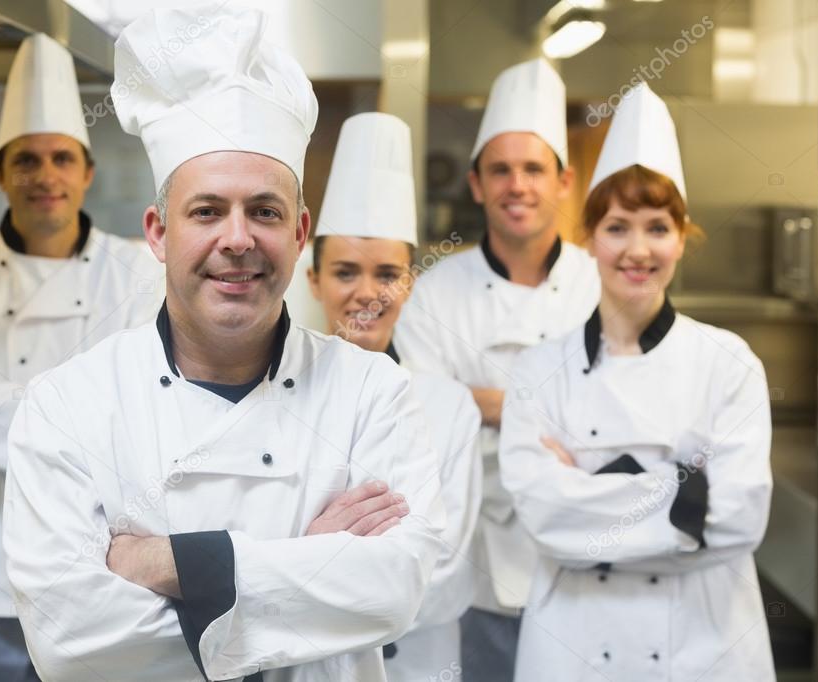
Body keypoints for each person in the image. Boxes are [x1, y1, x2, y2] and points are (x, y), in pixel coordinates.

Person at [2, 6, 445, 681]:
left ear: (298, 235)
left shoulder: (374, 393)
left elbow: (396, 584)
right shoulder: (67, 404)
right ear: (157, 232)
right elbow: (69, 639)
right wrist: (304, 558)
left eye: (263, 211)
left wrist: (167, 563)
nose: (237, 240)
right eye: (206, 210)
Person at [499, 82, 775, 681]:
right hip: (572, 647)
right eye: (618, 227)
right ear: (590, 237)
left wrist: (590, 484)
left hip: (703, 649)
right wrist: (680, 491)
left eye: (657, 227)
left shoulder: (729, 363)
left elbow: (737, 519)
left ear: (682, 237)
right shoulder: (537, 371)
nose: (638, 250)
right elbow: (544, 519)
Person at [0, 33, 163, 681]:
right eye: (26, 160)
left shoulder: (136, 273)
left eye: (60, 158)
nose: (44, 177)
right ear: (0, 173)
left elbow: (148, 411)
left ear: (86, 171)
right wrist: (87, 419)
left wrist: (25, 415)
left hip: (104, 568)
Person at [393, 57, 600, 678]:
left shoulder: (599, 283)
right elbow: (430, 413)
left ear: (563, 181)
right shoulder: (434, 292)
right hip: (477, 556)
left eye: (533, 169)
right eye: (501, 170)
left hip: (587, 553)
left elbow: (615, 412)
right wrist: (551, 411)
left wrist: (483, 402)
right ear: (476, 183)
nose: (518, 185)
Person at [306, 112, 482, 681]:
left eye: (387, 273)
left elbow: (448, 573)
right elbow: (254, 548)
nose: (367, 293)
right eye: (345, 272)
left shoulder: (450, 406)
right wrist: (389, 559)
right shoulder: (273, 395)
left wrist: (313, 564)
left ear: (409, 282)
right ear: (314, 281)